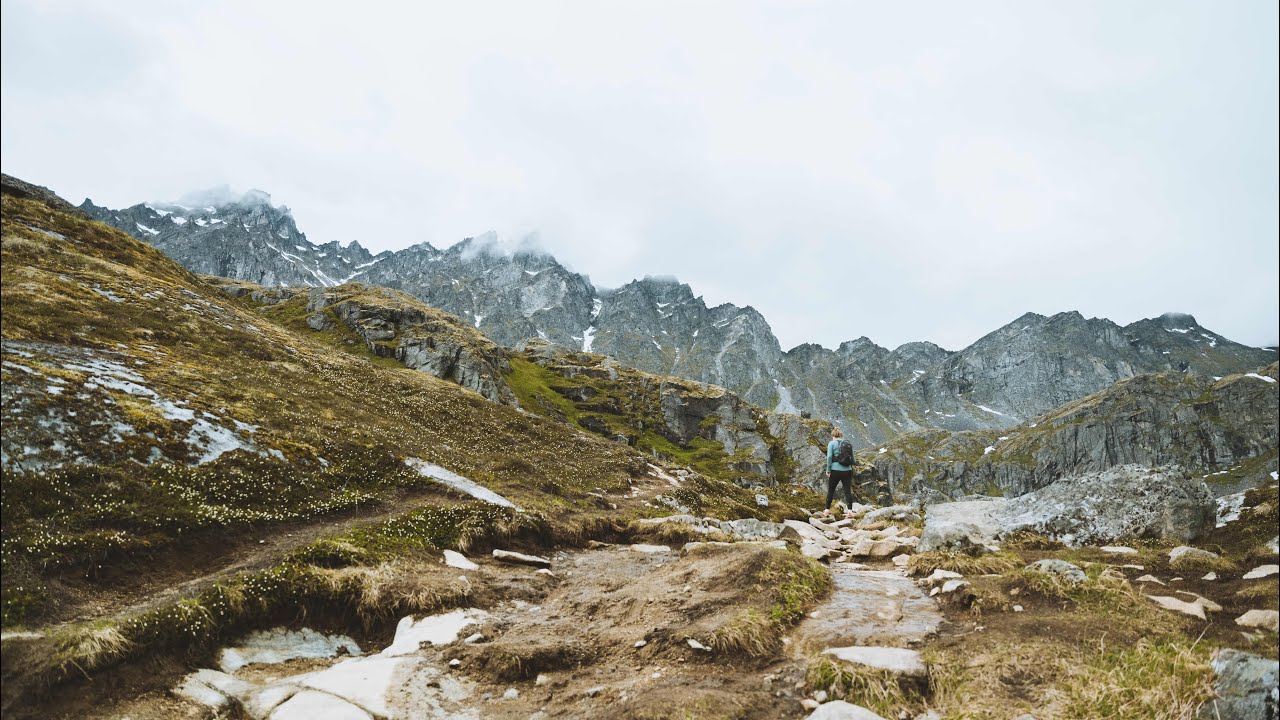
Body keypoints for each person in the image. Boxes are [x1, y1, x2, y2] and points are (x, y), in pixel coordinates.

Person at [823, 427, 855, 517]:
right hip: (847, 470)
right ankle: (850, 511)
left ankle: (826, 510)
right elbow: (854, 459)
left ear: (833, 435)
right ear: (841, 435)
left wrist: (828, 470)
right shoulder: (848, 444)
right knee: (847, 491)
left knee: (831, 490)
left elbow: (829, 457)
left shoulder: (831, 443)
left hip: (835, 470)